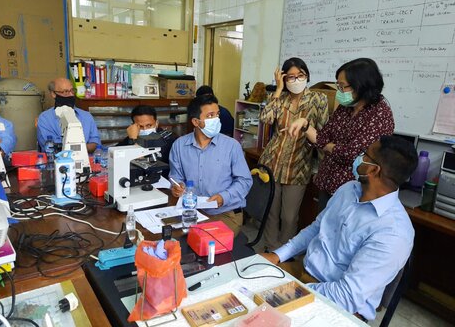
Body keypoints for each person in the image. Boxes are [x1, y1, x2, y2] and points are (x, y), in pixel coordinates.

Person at [260, 136, 418, 321]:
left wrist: (289, 292)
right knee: (245, 289)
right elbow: (317, 228)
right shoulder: (349, 189)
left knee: (263, 314)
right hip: (304, 272)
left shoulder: (393, 233)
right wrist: (278, 255)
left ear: (374, 170)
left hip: (339, 305)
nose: (358, 156)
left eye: (364, 154)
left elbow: (346, 296)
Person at [288, 58, 395, 211]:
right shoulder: (346, 108)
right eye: (338, 85)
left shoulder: (379, 114)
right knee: (322, 227)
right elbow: (324, 135)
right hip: (328, 182)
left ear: (361, 86)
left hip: (354, 191)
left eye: (342, 86)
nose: (339, 91)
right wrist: (306, 126)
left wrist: (327, 145)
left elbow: (351, 154)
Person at [259, 58, 329, 251]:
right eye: (291, 77)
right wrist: (278, 89)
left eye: (301, 76)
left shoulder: (318, 99)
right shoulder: (280, 98)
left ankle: (284, 252)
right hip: (272, 162)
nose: (296, 80)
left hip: (298, 166)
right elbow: (265, 118)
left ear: (307, 75)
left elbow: (322, 134)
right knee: (271, 212)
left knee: (289, 216)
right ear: (283, 78)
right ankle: (270, 248)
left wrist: (323, 168)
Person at [169, 94, 252, 234]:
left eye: (217, 115)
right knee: (171, 237)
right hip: (192, 209)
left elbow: (245, 181)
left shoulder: (232, 146)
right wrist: (177, 187)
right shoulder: (179, 145)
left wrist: (223, 197)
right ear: (196, 122)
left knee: (203, 241)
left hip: (226, 213)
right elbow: (175, 177)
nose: (216, 120)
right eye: (210, 116)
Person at [37, 78, 100, 153]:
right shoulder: (45, 119)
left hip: (86, 161)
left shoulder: (86, 116)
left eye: (72, 90)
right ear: (53, 94)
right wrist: (80, 147)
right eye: (66, 91)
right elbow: (52, 147)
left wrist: (76, 148)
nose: (71, 95)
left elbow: (94, 142)